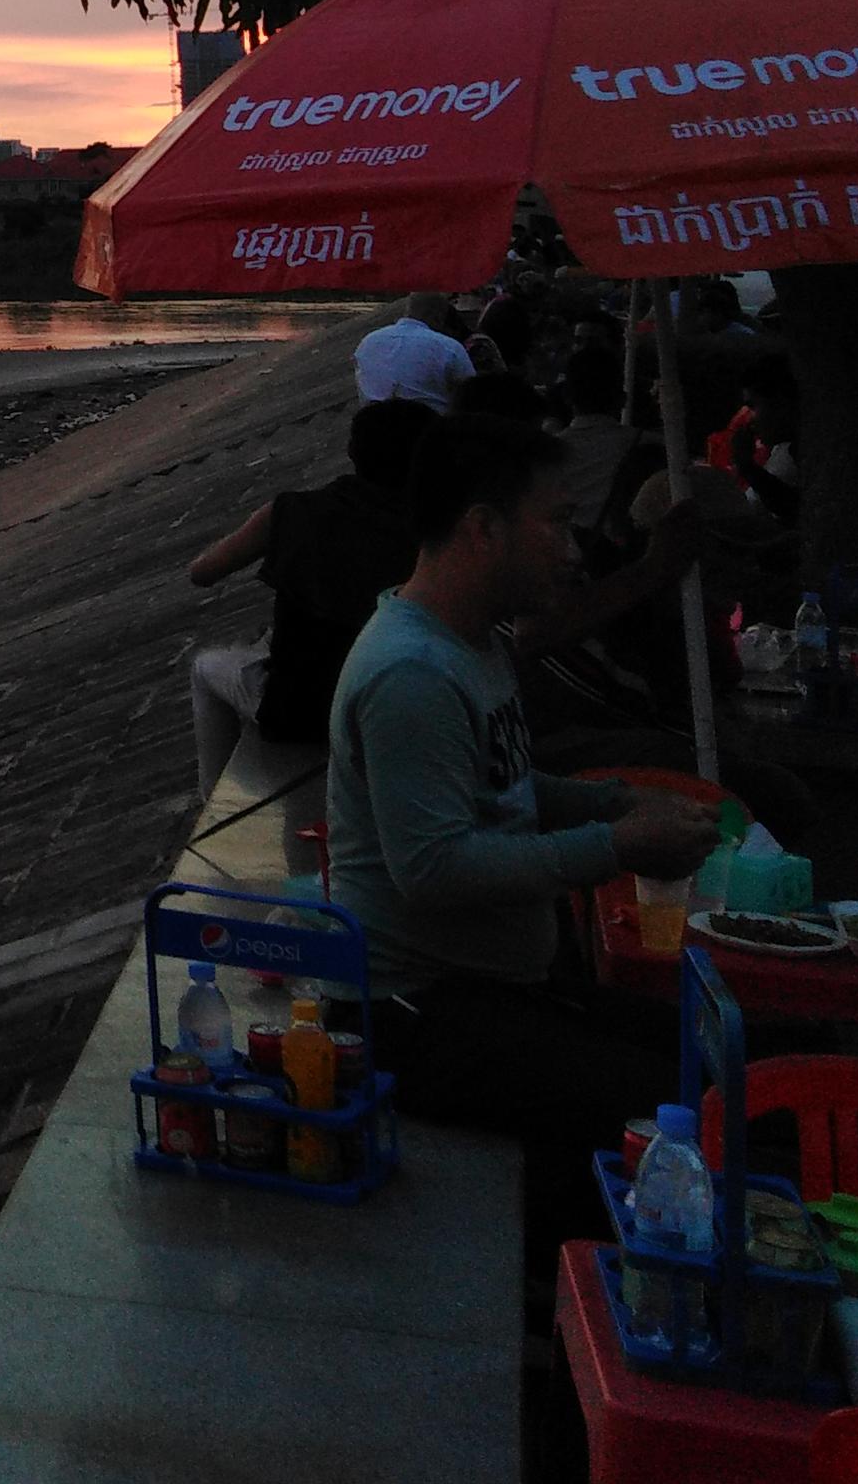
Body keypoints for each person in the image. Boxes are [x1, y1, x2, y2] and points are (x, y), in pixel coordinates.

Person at [328, 413, 717, 1249]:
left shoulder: (474, 645)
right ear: (482, 528)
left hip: (506, 987)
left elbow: (507, 785)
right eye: (558, 522)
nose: (574, 549)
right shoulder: (411, 673)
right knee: (686, 1101)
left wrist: (613, 803)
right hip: (421, 1014)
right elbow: (432, 868)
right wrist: (618, 848)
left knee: (724, 1050)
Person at [183, 398, 436, 800]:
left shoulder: (291, 511)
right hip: (401, 709)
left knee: (206, 667)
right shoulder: (438, 531)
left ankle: (215, 797)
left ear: (353, 453)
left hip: (303, 711)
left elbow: (202, 573)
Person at [354, 292, 476, 409]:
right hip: (430, 424)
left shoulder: (368, 342)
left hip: (373, 423)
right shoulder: (448, 347)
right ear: (439, 317)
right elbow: (470, 393)